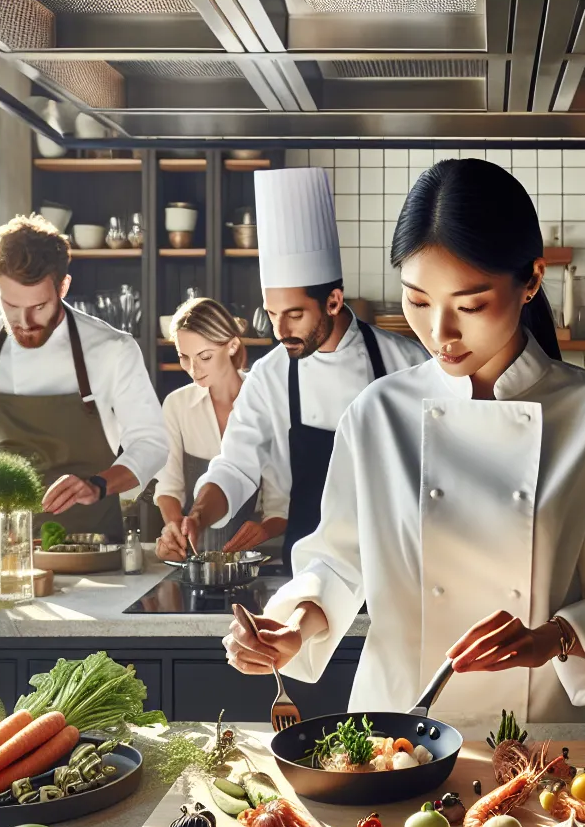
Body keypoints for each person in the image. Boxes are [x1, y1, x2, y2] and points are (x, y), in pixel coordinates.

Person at [219, 158, 585, 725]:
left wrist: (553, 638)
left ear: (532, 280)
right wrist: (292, 626)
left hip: (542, 733)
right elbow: (337, 561)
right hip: (391, 733)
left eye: (470, 305)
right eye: (417, 301)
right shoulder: (377, 414)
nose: (440, 333)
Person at [176, 167, 428, 559]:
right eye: (271, 313)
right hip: (308, 568)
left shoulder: (408, 363)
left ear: (333, 301)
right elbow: (235, 467)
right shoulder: (269, 376)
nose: (280, 331)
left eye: (294, 315)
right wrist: (197, 515)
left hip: (394, 561)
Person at [0, 215, 169, 538]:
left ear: (63, 287)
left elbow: (151, 442)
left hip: (95, 546)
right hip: (7, 545)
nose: (25, 321)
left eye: (39, 306)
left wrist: (99, 484)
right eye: (10, 305)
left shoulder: (113, 349)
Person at [154, 297, 287, 557]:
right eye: (184, 357)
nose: (193, 369)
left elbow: (279, 506)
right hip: (195, 555)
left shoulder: (267, 403)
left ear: (232, 345)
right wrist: (176, 531)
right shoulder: (176, 405)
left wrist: (264, 530)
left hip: (258, 556)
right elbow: (169, 488)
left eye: (204, 357)